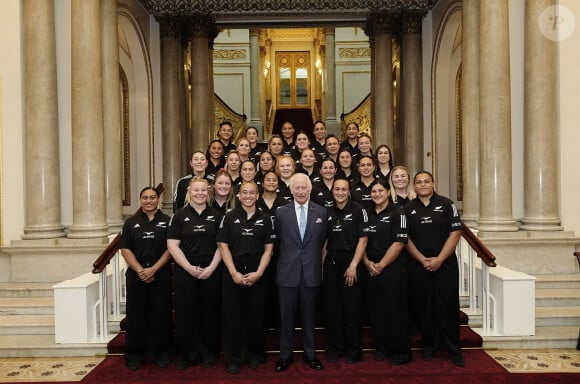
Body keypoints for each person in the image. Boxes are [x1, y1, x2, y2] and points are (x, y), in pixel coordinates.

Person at [403, 171, 464, 367]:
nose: (422, 185)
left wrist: (438, 259)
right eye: (419, 182)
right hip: (419, 266)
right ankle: (429, 346)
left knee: (448, 307)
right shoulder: (407, 208)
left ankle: (454, 349)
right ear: (414, 186)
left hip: (444, 265)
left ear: (433, 183)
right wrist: (422, 260)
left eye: (426, 182)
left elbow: (455, 234)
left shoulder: (447, 205)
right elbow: (405, 239)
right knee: (424, 308)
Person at [218, 181, 275, 373]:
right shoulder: (229, 217)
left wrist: (259, 272)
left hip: (258, 273)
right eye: (244, 192)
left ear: (257, 195)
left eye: (252, 193)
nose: (248, 196)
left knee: (256, 316)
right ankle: (234, 357)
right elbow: (223, 246)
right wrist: (233, 272)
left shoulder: (266, 219)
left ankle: (255, 354)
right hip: (232, 272)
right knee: (233, 317)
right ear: (239, 196)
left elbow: (269, 249)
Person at [167, 177, 223, 370]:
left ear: (208, 193)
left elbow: (222, 246)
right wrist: (189, 268)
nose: (199, 193)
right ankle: (187, 354)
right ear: (189, 193)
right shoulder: (179, 216)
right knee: (185, 314)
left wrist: (211, 269)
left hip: (211, 271)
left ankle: (209, 353)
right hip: (185, 271)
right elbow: (172, 246)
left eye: (203, 190)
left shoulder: (216, 216)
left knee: (210, 314)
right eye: (196, 190)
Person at [274, 173, 328, 372]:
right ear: (291, 190)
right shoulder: (281, 213)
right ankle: (285, 356)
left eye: (303, 187)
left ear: (310, 189)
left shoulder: (322, 212)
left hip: (311, 273)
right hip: (287, 273)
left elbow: (324, 241)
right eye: (296, 188)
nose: (300, 191)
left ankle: (310, 354)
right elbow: (279, 242)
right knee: (285, 318)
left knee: (309, 318)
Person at [119, 186, 173, 370]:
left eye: (152, 197)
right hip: (136, 276)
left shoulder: (167, 221)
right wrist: (141, 270)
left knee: (161, 315)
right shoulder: (130, 222)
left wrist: (154, 269)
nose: (149, 200)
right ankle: (135, 355)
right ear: (140, 200)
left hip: (161, 275)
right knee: (136, 316)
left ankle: (162, 353)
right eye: (145, 198)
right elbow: (125, 249)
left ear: (158, 200)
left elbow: (171, 249)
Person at [363, 178, 411, 365]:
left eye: (380, 191)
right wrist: (367, 263)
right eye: (373, 192)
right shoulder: (366, 214)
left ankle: (400, 352)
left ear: (388, 192)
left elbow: (399, 243)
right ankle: (382, 347)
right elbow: (361, 241)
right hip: (370, 269)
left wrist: (381, 265)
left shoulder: (398, 213)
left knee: (395, 312)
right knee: (376, 311)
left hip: (392, 270)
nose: (376, 195)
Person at [321, 178, 368, 364]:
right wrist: (322, 267)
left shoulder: (358, 210)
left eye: (343, 189)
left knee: (352, 309)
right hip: (331, 263)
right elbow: (324, 243)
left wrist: (354, 265)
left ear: (349, 191)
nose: (340, 192)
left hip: (352, 264)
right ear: (332, 191)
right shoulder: (327, 212)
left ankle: (353, 350)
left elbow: (363, 240)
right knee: (332, 309)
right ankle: (334, 348)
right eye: (337, 189)